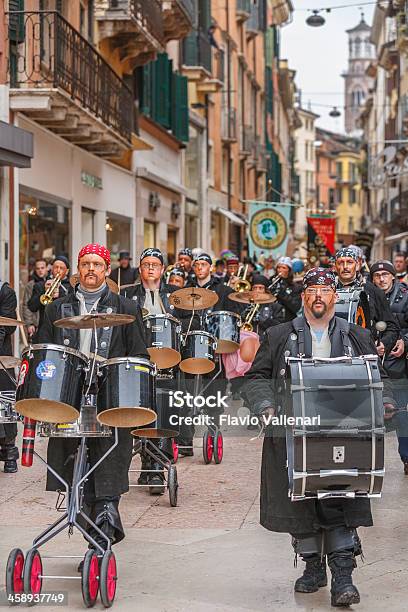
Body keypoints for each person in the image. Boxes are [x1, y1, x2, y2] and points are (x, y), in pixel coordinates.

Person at [244, 267, 396, 607]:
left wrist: (384, 401)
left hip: (344, 433)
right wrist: (266, 406)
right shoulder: (278, 334)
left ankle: (343, 576)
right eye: (311, 290)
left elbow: (379, 377)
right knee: (300, 502)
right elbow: (256, 378)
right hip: (293, 434)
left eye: (324, 291)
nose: (318, 296)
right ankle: (313, 568)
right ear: (303, 298)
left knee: (340, 498)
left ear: (333, 297)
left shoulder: (357, 335)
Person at [37, 243, 148, 552]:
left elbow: (139, 354)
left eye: (96, 264)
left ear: (106, 270)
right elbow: (44, 350)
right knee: (75, 463)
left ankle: (105, 520)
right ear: (78, 268)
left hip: (109, 396)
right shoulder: (56, 308)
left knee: (108, 457)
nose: (90, 269)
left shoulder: (126, 308)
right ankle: (96, 533)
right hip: (69, 397)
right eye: (85, 263)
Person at [121, 248, 195, 489]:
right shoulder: (127, 295)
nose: (151, 268)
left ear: (163, 269)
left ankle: (156, 467)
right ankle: (147, 463)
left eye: (155, 264)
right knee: (142, 412)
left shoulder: (176, 296)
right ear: (139, 268)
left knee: (164, 411)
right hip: (139, 361)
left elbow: (191, 323)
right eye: (146, 264)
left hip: (168, 364)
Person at [370, 260, 408, 473]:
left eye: (385, 274)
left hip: (398, 365)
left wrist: (404, 342)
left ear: (393, 276)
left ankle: (407, 457)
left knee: (402, 413)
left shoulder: (406, 295)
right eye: (377, 275)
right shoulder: (365, 295)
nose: (381, 279)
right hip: (372, 365)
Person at [334, 247, 399, 356]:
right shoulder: (327, 291)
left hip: (366, 354)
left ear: (358, 265)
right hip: (334, 353)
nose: (345, 267)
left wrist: (383, 344)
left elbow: (392, 326)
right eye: (341, 263)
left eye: (349, 262)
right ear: (335, 266)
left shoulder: (373, 291)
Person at [27, 255, 72, 341]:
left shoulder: (71, 287)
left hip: (64, 331)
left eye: (61, 268)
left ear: (67, 271)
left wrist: (61, 295)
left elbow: (73, 307)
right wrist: (44, 291)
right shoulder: (40, 285)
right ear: (51, 269)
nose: (58, 270)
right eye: (56, 267)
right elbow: (32, 307)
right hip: (45, 331)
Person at [0, 280, 18, 473]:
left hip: (1, 358)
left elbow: (8, 326)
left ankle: (9, 452)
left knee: (4, 403)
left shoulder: (5, 292)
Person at [268, 257, 302, 322]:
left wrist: (282, 292)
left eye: (283, 268)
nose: (280, 270)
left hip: (287, 319)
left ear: (289, 270)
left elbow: (296, 307)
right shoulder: (271, 282)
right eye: (278, 267)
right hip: (271, 319)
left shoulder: (296, 287)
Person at [21, 258, 47, 341]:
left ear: (47, 268)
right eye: (38, 268)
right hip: (36, 324)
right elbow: (26, 305)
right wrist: (30, 324)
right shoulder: (30, 285)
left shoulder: (51, 282)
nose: (40, 271)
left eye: (42, 268)